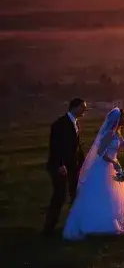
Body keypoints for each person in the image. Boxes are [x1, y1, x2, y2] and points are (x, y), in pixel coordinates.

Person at [62, 107, 124, 240]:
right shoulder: (109, 134)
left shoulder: (117, 134)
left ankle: (111, 222)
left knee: (113, 195)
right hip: (104, 166)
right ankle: (98, 224)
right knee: (104, 194)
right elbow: (101, 153)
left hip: (113, 163)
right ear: (118, 119)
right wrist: (113, 162)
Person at [43, 98, 87, 237]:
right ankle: (48, 229)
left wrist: (84, 163)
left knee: (75, 195)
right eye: (82, 107)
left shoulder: (76, 123)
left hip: (73, 167)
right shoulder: (60, 124)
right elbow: (55, 146)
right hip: (60, 167)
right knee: (59, 196)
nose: (84, 110)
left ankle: (76, 226)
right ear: (74, 107)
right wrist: (59, 164)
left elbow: (77, 147)